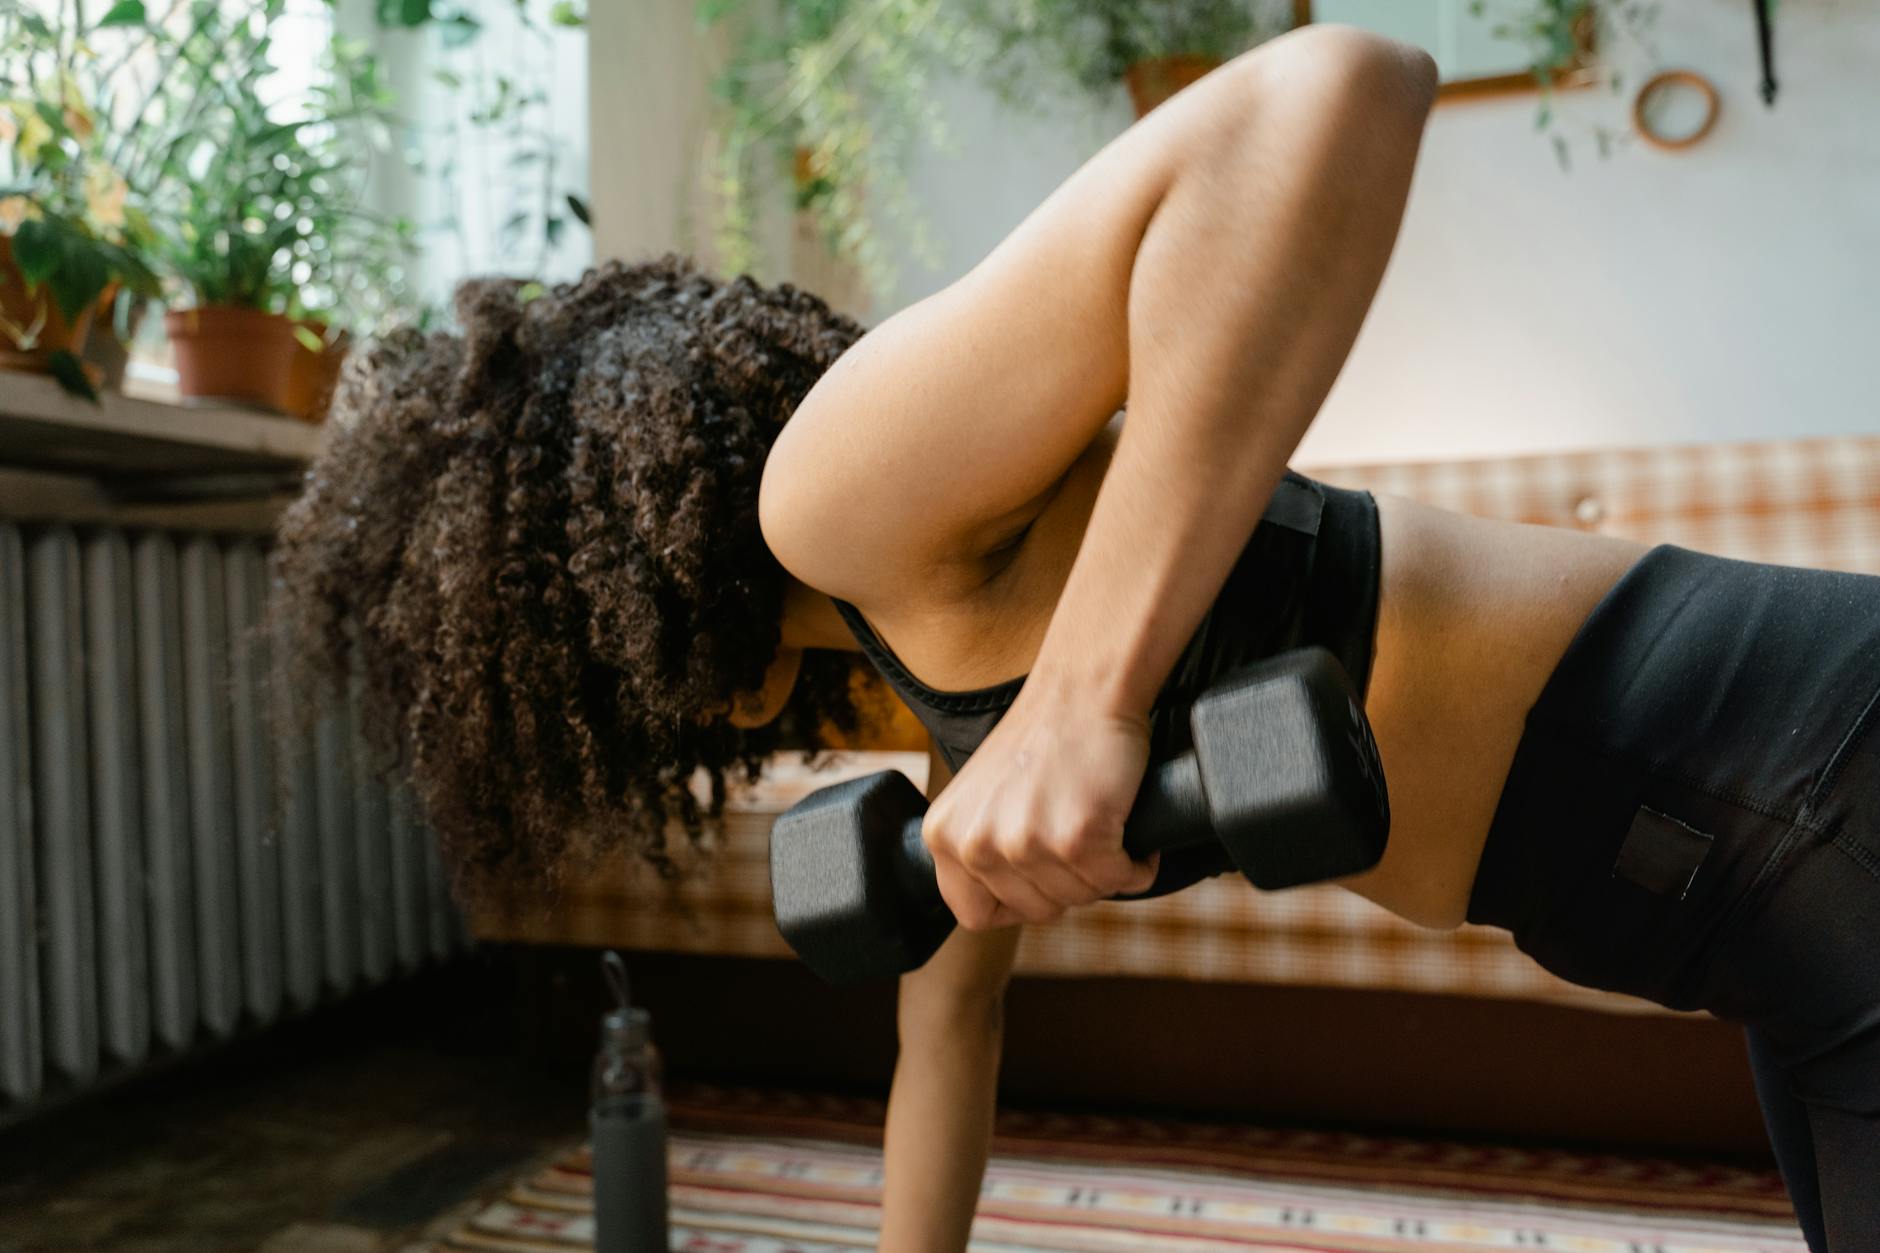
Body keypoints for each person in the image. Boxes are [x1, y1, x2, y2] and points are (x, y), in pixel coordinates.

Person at [271, 25, 1878, 1252]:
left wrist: (1090, 703)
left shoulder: (830, 497)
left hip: (1803, 778)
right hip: (1740, 911)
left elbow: (1337, 88)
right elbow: (945, 1037)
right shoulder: (910, 666)